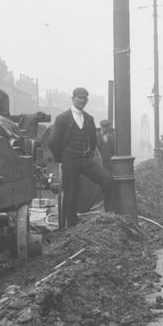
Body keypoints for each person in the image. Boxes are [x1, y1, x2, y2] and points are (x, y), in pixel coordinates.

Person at [48, 87, 113, 228]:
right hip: (69, 162)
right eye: (79, 97)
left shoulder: (89, 119)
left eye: (84, 98)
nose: (82, 101)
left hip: (85, 160)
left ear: (87, 101)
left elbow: (93, 141)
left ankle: (109, 217)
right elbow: (53, 142)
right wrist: (61, 158)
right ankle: (70, 226)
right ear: (73, 99)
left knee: (108, 179)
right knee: (70, 193)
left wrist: (89, 154)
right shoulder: (62, 119)